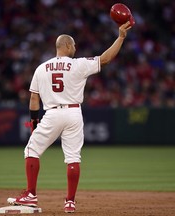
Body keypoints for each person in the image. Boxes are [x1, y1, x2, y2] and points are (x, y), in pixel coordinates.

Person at [7, 21, 132, 213]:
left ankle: (31, 195)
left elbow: (33, 98)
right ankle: (70, 202)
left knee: (32, 150)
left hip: (52, 112)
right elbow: (105, 59)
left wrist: (34, 122)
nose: (75, 47)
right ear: (65, 45)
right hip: (74, 112)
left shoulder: (41, 68)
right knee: (73, 157)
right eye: (73, 44)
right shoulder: (78, 64)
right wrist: (121, 37)